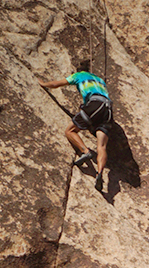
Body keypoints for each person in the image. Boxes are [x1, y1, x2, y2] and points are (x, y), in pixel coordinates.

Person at [39, 60, 113, 192]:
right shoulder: (100, 80)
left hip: (94, 104)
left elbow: (56, 84)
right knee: (102, 146)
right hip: (108, 109)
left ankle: (85, 151)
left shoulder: (79, 76)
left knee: (70, 131)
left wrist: (43, 84)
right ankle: (99, 173)